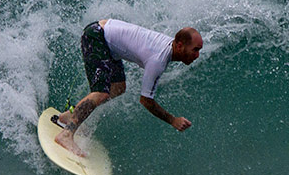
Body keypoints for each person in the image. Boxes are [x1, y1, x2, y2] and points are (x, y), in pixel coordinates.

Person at [52, 19, 203, 157]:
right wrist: (173, 120)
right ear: (179, 45)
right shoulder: (158, 60)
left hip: (109, 43)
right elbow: (146, 101)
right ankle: (66, 135)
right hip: (97, 36)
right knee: (101, 93)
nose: (197, 55)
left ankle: (69, 116)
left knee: (117, 88)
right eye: (195, 50)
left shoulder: (169, 47)